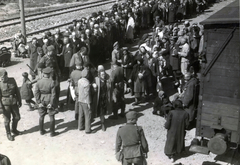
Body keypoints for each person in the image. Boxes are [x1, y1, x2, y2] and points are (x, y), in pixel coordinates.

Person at [34, 67, 59, 137]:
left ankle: (41, 131)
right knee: (51, 116)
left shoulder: (39, 82)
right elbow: (53, 94)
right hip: (49, 99)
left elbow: (36, 93)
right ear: (49, 74)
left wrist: (39, 102)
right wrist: (51, 103)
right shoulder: (52, 82)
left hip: (42, 99)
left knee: (41, 116)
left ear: (43, 74)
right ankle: (52, 132)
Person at [0, 69, 22, 141]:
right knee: (7, 120)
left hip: (14, 101)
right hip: (5, 104)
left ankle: (14, 129)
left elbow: (17, 91)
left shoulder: (12, 80)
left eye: (4, 77)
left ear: (7, 75)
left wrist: (19, 100)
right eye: (1, 77)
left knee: (17, 117)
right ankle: (8, 133)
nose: (2, 78)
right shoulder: (0, 84)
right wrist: (1, 107)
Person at [92, 65, 112, 131]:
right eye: (102, 74)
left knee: (105, 110)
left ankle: (103, 120)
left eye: (104, 74)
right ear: (99, 74)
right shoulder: (96, 80)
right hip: (100, 98)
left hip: (106, 98)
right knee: (101, 112)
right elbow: (93, 89)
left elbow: (110, 87)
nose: (103, 75)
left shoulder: (107, 79)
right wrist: (94, 87)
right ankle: (102, 124)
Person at [77, 64, 95, 134]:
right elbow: (87, 94)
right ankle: (88, 129)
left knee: (81, 114)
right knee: (88, 115)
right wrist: (88, 103)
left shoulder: (79, 81)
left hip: (80, 99)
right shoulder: (87, 83)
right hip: (85, 100)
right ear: (87, 75)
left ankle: (80, 126)